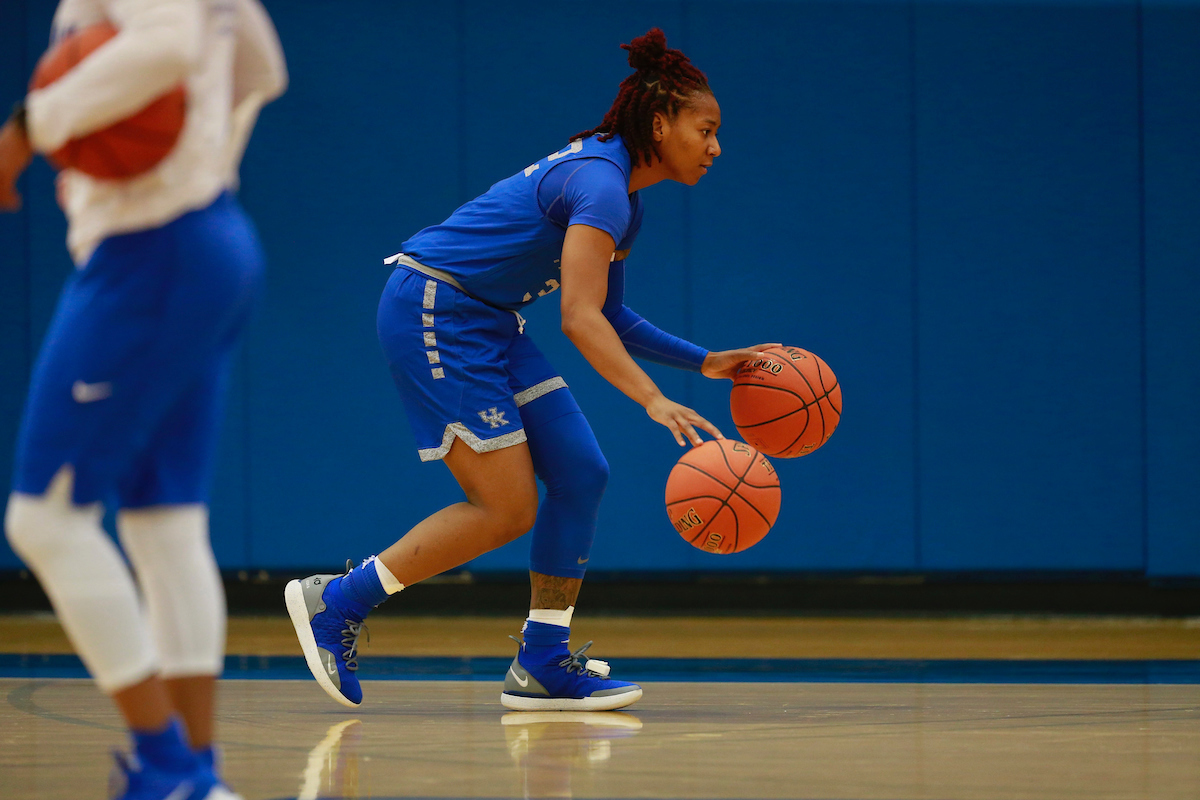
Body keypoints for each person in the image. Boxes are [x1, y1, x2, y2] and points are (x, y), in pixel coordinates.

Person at [287, 27, 767, 712]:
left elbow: (612, 316)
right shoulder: (601, 186)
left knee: (581, 471)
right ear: (660, 124)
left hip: (484, 317)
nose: (716, 147)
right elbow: (578, 317)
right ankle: (335, 601)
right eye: (706, 130)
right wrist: (653, 400)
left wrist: (705, 362)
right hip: (435, 307)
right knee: (505, 507)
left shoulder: (623, 202)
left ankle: (542, 660)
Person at [0, 1, 286, 798]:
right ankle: (193, 776)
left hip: (152, 252)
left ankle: (164, 766)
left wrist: (34, 127)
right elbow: (262, 69)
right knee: (164, 525)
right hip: (205, 239)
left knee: (46, 519)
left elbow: (168, 49)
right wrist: (190, 158)